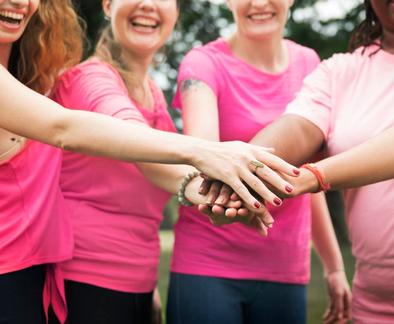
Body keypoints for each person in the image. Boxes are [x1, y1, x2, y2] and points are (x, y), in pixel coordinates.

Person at [0, 0, 298, 323]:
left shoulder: (152, 91)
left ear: (176, 14)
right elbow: (120, 139)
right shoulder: (90, 80)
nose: (148, 4)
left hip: (133, 282)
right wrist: (206, 153)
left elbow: (164, 173)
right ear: (107, 5)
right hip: (82, 283)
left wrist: (216, 196)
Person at [233, 0, 394, 321]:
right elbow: (296, 128)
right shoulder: (340, 71)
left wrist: (313, 176)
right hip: (375, 308)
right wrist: (237, 172)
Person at [167, 0, 351, 323]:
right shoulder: (203, 64)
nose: (259, 3)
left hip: (285, 267)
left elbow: (306, 177)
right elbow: (204, 156)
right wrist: (229, 204)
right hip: (207, 264)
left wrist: (334, 266)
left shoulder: (309, 63)